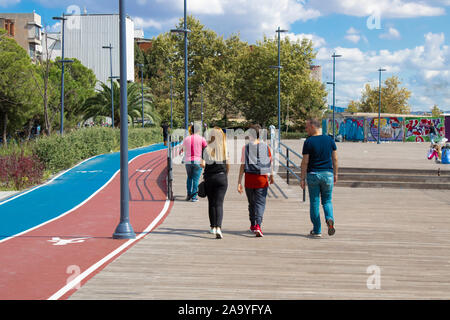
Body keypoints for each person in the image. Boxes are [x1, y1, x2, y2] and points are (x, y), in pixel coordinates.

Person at [300, 118, 338, 238]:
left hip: (313, 175)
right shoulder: (329, 140)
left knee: (314, 203)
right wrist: (336, 174)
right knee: (327, 201)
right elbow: (335, 159)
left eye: (307, 127)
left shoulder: (309, 142)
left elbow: (305, 162)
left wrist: (302, 178)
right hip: (328, 175)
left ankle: (317, 230)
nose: (306, 129)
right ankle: (329, 219)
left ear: (312, 126)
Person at [237, 124, 274, 237]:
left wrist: (239, 182)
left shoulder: (245, 148)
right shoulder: (265, 147)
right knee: (260, 203)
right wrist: (271, 176)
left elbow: (242, 165)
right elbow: (269, 164)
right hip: (261, 179)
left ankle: (253, 224)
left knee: (251, 203)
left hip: (249, 179)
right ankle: (258, 225)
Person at [201, 127, 229, 239]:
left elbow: (202, 164)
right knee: (219, 203)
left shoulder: (206, 148)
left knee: (211, 203)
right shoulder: (224, 148)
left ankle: (213, 227)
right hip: (221, 177)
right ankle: (219, 228)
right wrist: (225, 174)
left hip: (209, 178)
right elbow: (228, 164)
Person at [180, 123, 207, 202]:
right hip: (197, 161)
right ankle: (194, 197)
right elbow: (206, 149)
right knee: (196, 179)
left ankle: (188, 194)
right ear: (198, 130)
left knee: (189, 178)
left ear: (191, 130)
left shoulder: (187, 139)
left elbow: (182, 150)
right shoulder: (201, 139)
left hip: (188, 161)